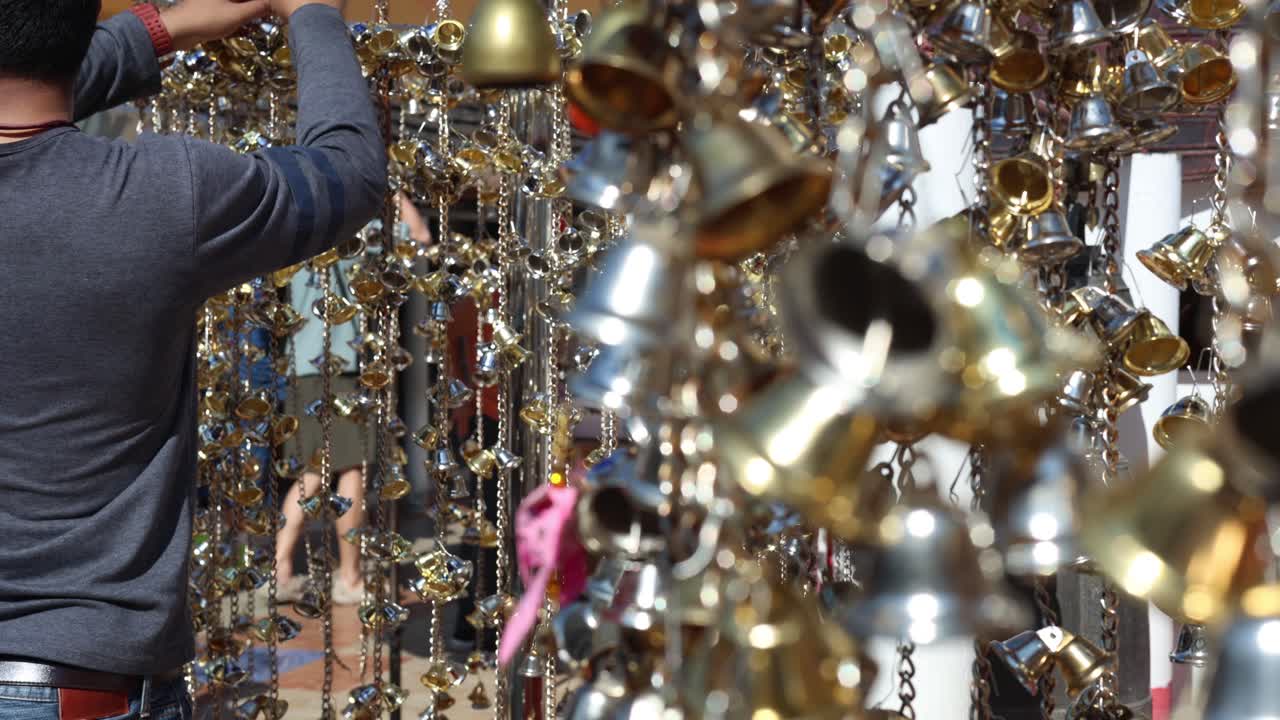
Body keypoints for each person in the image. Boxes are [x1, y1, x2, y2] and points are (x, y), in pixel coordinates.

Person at [0, 0, 386, 718]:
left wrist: (159, 30)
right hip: (80, 679)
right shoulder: (161, 194)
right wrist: (310, 14)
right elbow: (349, 170)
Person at [274, 193, 431, 604]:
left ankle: (281, 569)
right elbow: (420, 236)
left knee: (313, 470)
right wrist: (391, 188)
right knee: (349, 470)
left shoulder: (297, 237)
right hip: (340, 367)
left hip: (304, 367)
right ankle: (349, 577)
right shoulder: (352, 239)